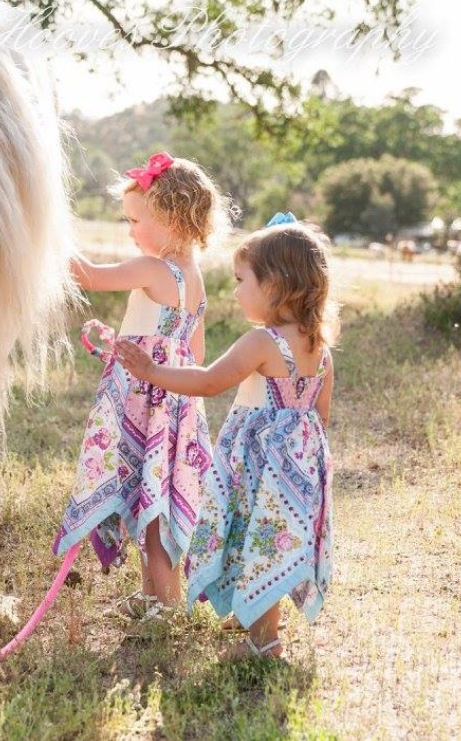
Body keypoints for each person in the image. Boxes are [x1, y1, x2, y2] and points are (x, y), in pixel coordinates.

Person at [116, 213, 335, 657]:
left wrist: (152, 370)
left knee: (254, 535)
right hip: (297, 472)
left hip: (258, 466)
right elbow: (321, 416)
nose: (235, 292)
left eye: (242, 281)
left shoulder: (262, 343)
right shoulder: (320, 348)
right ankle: (255, 614)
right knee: (270, 543)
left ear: (275, 286)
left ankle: (263, 642)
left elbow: (210, 381)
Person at [53, 152, 231, 620]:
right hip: (172, 410)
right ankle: (155, 597)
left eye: (135, 220)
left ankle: (166, 606)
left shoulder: (153, 269)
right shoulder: (196, 281)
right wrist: (139, 344)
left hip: (142, 405)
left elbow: (87, 275)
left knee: (149, 507)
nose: (130, 231)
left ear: (171, 220)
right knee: (157, 500)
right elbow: (194, 351)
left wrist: (46, 235)